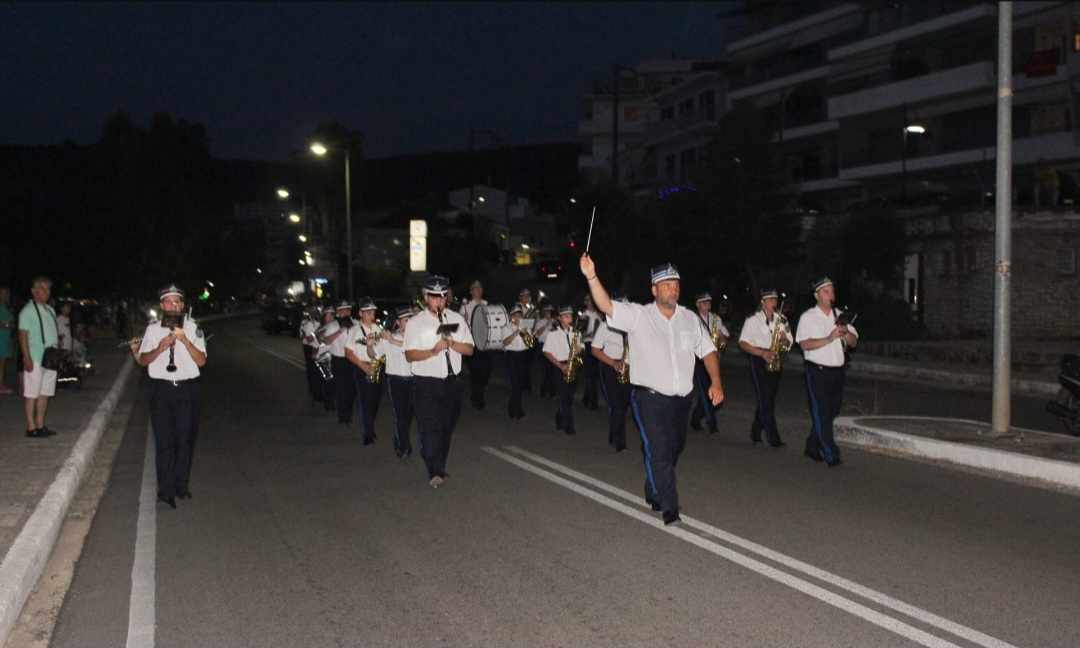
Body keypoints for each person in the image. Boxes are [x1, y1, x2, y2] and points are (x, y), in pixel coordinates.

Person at [580, 256, 723, 525]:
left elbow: (708, 351)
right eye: (666, 284)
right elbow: (606, 305)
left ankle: (654, 485)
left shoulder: (690, 319)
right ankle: (670, 508)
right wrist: (591, 276)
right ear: (654, 290)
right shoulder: (638, 315)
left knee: (673, 449)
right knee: (659, 449)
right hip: (649, 399)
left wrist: (716, 381)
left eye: (676, 284)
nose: (673, 288)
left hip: (682, 401)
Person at [137, 284, 207, 508]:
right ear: (161, 305)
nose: (173, 305)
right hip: (160, 390)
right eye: (169, 301)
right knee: (164, 442)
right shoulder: (153, 329)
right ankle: (165, 490)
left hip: (186, 389)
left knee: (184, 440)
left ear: (183, 305)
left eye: (177, 301)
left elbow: (201, 361)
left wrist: (185, 340)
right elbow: (143, 360)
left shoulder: (193, 328)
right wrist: (160, 347)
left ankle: (181, 485)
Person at [404, 275, 475, 488]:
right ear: (426, 297)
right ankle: (434, 469)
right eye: (434, 297)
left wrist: (452, 343)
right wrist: (433, 351)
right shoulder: (416, 323)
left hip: (452, 382)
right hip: (426, 382)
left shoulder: (456, 319)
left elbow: (470, 349)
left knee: (446, 428)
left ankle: (438, 464)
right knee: (429, 427)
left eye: (443, 297)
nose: (439, 301)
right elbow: (409, 355)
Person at [796, 277, 858, 467]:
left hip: (837, 371)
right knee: (822, 412)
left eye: (832, 291)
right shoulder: (808, 317)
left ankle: (812, 445)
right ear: (817, 295)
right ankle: (831, 454)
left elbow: (854, 342)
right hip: (817, 371)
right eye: (826, 291)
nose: (831, 294)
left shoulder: (840, 315)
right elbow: (804, 343)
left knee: (832, 411)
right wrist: (829, 338)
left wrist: (845, 332)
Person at [737, 288, 792, 448]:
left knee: (768, 399)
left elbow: (789, 343)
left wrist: (783, 341)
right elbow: (743, 343)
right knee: (765, 399)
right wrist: (762, 353)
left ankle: (755, 432)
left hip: (775, 358)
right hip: (758, 359)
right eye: (769, 299)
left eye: (775, 299)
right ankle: (773, 438)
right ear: (762, 302)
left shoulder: (782, 319)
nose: (773, 302)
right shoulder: (752, 320)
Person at [18, 276, 60, 438]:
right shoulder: (27, 311)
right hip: (35, 357)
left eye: (48, 289)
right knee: (31, 393)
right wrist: (26, 357)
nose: (46, 292)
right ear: (34, 291)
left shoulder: (50, 310)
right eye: (42, 288)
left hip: (50, 358)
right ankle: (31, 427)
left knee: (45, 393)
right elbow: (22, 335)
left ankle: (40, 424)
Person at [373, 306, 416, 459]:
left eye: (411, 319)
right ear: (398, 322)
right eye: (406, 320)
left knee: (409, 415)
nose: (409, 322)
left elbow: (409, 348)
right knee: (400, 415)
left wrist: (391, 340)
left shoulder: (415, 338)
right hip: (395, 380)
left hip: (413, 380)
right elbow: (374, 355)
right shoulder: (388, 338)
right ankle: (404, 447)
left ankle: (399, 440)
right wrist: (371, 344)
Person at [591, 299, 631, 452]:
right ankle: (620, 442)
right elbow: (595, 350)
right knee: (617, 405)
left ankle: (613, 435)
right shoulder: (605, 325)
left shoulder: (630, 326)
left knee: (624, 404)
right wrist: (613, 363)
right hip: (609, 366)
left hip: (626, 367)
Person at [345, 298, 384, 445]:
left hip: (377, 365)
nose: (371, 314)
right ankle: (368, 432)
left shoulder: (377, 329)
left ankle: (370, 424)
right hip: (361, 366)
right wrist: (363, 366)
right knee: (364, 399)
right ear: (361, 313)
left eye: (373, 311)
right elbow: (348, 353)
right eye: (368, 312)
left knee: (375, 399)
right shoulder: (354, 330)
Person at [690, 292, 729, 434]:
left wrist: (722, 339)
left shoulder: (715, 318)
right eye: (704, 303)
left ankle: (695, 418)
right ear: (698, 304)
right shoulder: (692, 319)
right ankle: (712, 424)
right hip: (698, 360)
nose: (707, 305)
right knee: (704, 391)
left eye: (709, 303)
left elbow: (725, 335)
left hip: (713, 358)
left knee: (708, 392)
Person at [542, 305, 580, 435]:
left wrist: (578, 350)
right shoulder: (553, 334)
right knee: (564, 396)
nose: (569, 318)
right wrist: (560, 365)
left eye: (570, 315)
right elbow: (547, 352)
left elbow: (581, 348)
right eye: (566, 316)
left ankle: (559, 417)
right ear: (559, 318)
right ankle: (569, 425)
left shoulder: (576, 332)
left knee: (569, 397)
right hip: (559, 366)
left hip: (572, 365)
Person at [319, 301, 357, 425]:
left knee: (351, 389)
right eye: (342, 310)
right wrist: (340, 330)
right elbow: (326, 341)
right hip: (339, 360)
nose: (345, 312)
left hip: (352, 360)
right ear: (338, 312)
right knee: (341, 388)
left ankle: (348, 412)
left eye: (347, 309)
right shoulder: (332, 326)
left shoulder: (356, 324)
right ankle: (343, 416)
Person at [460, 280, 492, 410]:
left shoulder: (487, 305)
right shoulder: (465, 306)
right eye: (475, 289)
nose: (477, 291)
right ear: (471, 292)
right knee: (475, 372)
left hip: (486, 342)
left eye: (479, 289)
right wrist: (465, 319)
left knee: (487, 370)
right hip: (472, 343)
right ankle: (477, 399)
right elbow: (461, 326)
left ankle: (479, 392)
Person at [502, 306, 531, 420]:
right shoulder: (507, 327)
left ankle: (512, 406)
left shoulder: (525, 327)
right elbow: (505, 342)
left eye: (520, 315)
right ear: (512, 316)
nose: (518, 317)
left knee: (520, 384)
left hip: (523, 355)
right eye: (516, 315)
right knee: (515, 384)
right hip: (512, 356)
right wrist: (516, 332)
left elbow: (529, 343)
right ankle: (517, 410)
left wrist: (524, 331)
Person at [580, 294, 603, 411]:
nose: (590, 303)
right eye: (588, 301)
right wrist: (590, 334)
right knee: (590, 375)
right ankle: (593, 401)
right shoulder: (584, 315)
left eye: (592, 301)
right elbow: (581, 334)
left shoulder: (597, 315)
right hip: (588, 345)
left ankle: (586, 397)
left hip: (597, 345)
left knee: (594, 375)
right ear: (585, 302)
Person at [299, 307, 324, 405]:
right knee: (312, 371)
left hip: (318, 347)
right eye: (313, 312)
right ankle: (315, 393)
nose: (315, 314)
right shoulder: (306, 323)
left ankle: (317, 392)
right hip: (309, 348)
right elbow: (308, 339)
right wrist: (317, 333)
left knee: (319, 371)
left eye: (316, 312)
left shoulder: (318, 323)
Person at [515, 288, 537, 392]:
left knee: (528, 363)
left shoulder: (531, 308)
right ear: (520, 297)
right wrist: (528, 319)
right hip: (520, 338)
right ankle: (521, 384)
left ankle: (526, 385)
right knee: (521, 364)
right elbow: (519, 323)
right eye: (525, 296)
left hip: (530, 337)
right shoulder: (517, 307)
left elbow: (534, 323)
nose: (527, 298)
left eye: (528, 296)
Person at [535, 304, 558, 399]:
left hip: (553, 347)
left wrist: (554, 326)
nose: (549, 313)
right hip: (543, 346)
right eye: (547, 311)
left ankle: (552, 392)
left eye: (550, 311)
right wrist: (546, 324)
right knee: (545, 370)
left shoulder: (555, 322)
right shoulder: (540, 322)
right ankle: (543, 392)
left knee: (552, 370)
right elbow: (537, 334)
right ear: (544, 312)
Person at [0, 287, 14, 395]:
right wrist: (7, 324)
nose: (6, 296)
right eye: (3, 293)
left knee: (3, 364)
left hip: (5, 338)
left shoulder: (6, 307)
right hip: (1, 338)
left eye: (7, 294)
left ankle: (1, 384)